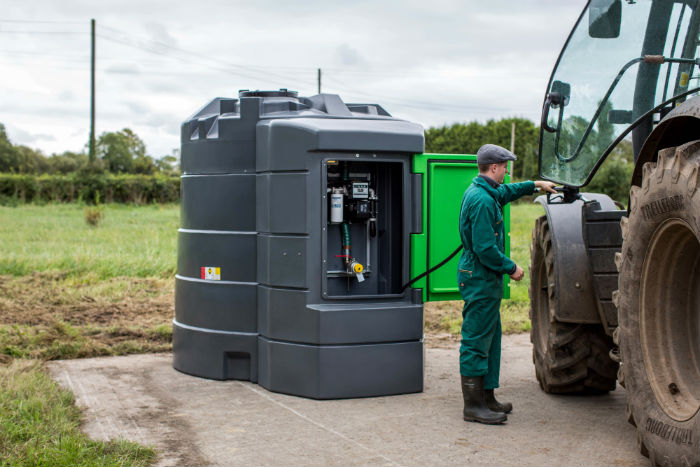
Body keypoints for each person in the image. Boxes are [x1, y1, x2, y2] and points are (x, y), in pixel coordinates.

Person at [458, 143, 556, 425]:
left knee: (490, 338)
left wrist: (536, 185)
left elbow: (507, 192)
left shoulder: (487, 192)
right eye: (504, 168)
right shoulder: (482, 200)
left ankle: (487, 397)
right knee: (477, 340)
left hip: (484, 278)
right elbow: (485, 248)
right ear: (493, 168)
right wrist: (510, 267)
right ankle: (473, 406)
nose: (507, 172)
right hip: (480, 276)